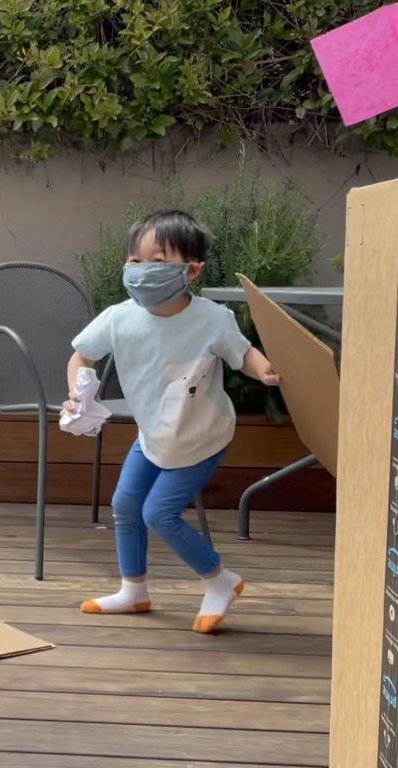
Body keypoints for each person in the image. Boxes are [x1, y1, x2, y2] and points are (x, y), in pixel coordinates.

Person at [64, 210, 279, 634]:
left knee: (158, 514)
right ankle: (134, 591)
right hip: (154, 434)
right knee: (126, 506)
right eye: (134, 261)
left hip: (201, 436)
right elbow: (81, 354)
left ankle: (220, 580)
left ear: (191, 270)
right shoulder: (118, 317)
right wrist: (79, 389)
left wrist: (265, 371)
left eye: (156, 260)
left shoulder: (212, 319)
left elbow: (244, 353)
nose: (141, 272)